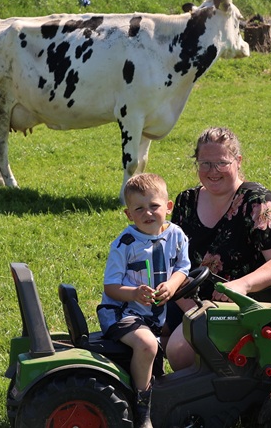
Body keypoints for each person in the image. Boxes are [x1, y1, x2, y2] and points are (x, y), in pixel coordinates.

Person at [165, 127, 271, 370]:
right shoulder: (185, 202)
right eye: (205, 163)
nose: (212, 172)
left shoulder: (258, 203)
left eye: (221, 163)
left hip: (238, 310)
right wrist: (190, 308)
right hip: (185, 301)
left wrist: (241, 285)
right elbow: (172, 261)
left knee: (179, 350)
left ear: (238, 161)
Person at [97, 173, 191, 428]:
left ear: (168, 207)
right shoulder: (125, 244)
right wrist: (134, 293)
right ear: (129, 214)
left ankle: (165, 401)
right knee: (148, 345)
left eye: (154, 206)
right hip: (121, 311)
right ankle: (142, 411)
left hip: (152, 316)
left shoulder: (177, 235)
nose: (148, 213)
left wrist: (172, 286)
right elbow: (111, 286)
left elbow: (183, 267)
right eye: (139, 208)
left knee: (157, 356)